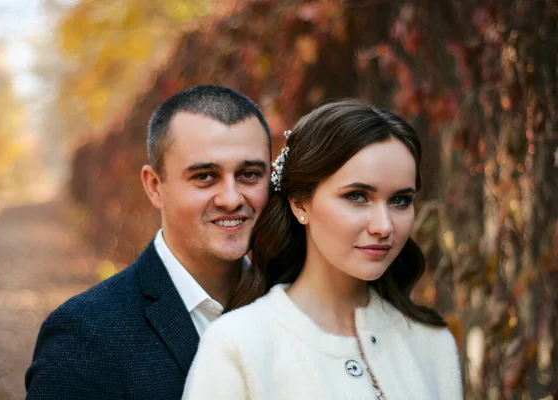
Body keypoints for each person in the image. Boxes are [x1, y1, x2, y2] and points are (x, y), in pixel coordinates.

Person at [183, 99, 463, 399]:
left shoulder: (432, 343)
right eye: (357, 196)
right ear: (300, 202)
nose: (384, 226)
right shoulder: (237, 345)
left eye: (400, 200)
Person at [25, 84, 272, 400]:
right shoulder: (85, 336)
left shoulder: (300, 306)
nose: (231, 198)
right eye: (204, 176)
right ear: (155, 187)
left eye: (249, 174)